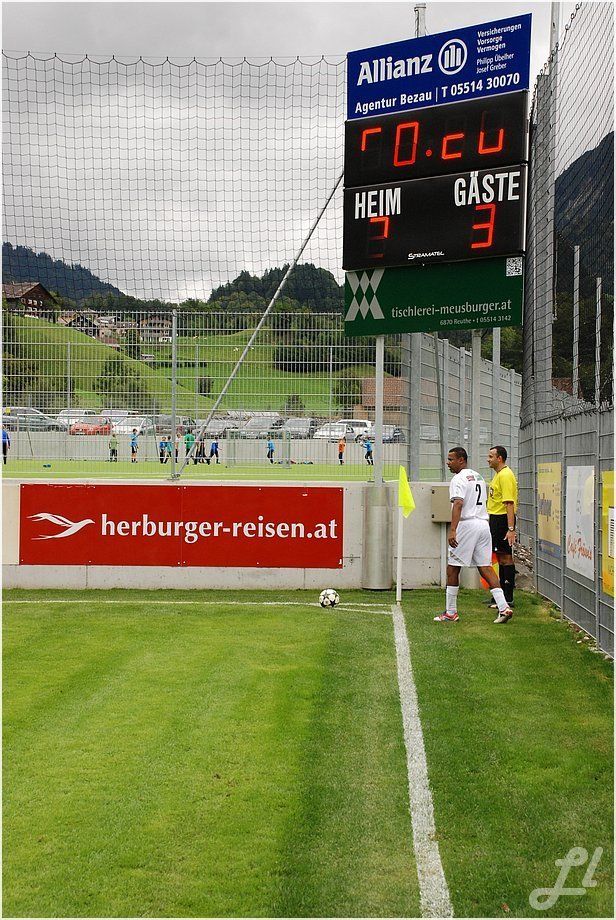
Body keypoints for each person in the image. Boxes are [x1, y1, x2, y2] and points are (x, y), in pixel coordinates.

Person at [434, 446, 514, 625]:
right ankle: (504, 607)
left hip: (467, 525)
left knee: (453, 568)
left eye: (451, 459)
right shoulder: (478, 476)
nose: (448, 463)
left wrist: (453, 530)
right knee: (486, 567)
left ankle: (451, 612)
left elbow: (458, 504)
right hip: (483, 524)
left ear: (461, 460)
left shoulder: (458, 479)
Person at [487, 445, 519, 609]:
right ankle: (500, 596)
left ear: (499, 458)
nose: (488, 459)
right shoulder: (499, 474)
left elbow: (509, 503)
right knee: (499, 556)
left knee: (506, 557)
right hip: (495, 519)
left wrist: (510, 529)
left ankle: (508, 597)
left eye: (491, 456)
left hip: (502, 520)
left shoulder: (505, 475)